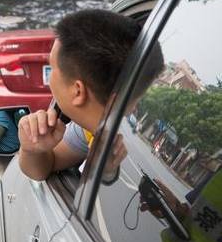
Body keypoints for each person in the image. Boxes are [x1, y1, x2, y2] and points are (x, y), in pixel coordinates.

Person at [17, 9, 165, 182]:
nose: (50, 79)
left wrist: (107, 174)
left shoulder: (115, 142)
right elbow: (47, 166)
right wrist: (32, 150)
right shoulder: (90, 129)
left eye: (53, 68)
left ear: (77, 91)